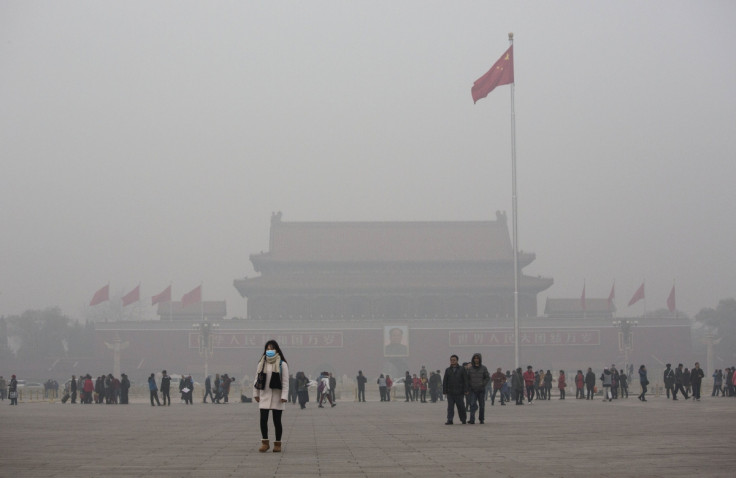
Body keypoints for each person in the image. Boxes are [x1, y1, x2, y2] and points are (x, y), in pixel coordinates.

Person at [253, 339, 289, 453]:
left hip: (277, 397)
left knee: (277, 421)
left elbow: (285, 382)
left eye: (272, 349)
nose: (270, 351)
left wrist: (284, 396)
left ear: (277, 349)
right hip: (264, 395)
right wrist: (256, 394)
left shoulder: (282, 364)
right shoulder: (261, 363)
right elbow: (257, 379)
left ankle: (277, 443)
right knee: (263, 420)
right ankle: (265, 442)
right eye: (268, 349)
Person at [442, 354, 468, 424]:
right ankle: (449, 419)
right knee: (450, 407)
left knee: (461, 407)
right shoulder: (447, 370)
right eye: (451, 360)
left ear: (457, 361)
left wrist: (466, 390)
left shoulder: (462, 369)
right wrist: (444, 390)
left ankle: (463, 419)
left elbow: (465, 380)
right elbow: (445, 381)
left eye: (454, 360)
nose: (452, 361)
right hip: (450, 392)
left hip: (459, 392)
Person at [466, 353, 490, 424]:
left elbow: (487, 377)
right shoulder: (470, 369)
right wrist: (469, 386)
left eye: (477, 358)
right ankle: (472, 419)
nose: (476, 360)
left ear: (480, 359)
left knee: (482, 405)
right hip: (473, 390)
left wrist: (483, 384)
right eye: (475, 358)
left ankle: (481, 419)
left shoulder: (484, 368)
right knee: (472, 404)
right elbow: (467, 379)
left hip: (481, 390)